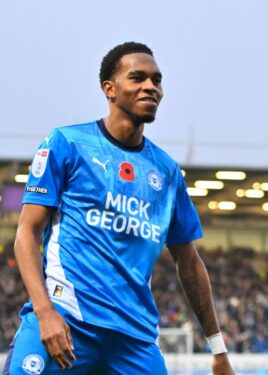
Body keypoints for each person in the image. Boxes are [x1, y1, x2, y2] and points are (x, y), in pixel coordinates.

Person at [3, 42, 233, 375]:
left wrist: (218, 348)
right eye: (137, 78)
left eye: (157, 80)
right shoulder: (67, 144)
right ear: (109, 89)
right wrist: (45, 312)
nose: (151, 87)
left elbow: (190, 262)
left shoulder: (167, 173)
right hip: (65, 322)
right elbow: (26, 232)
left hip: (135, 342)